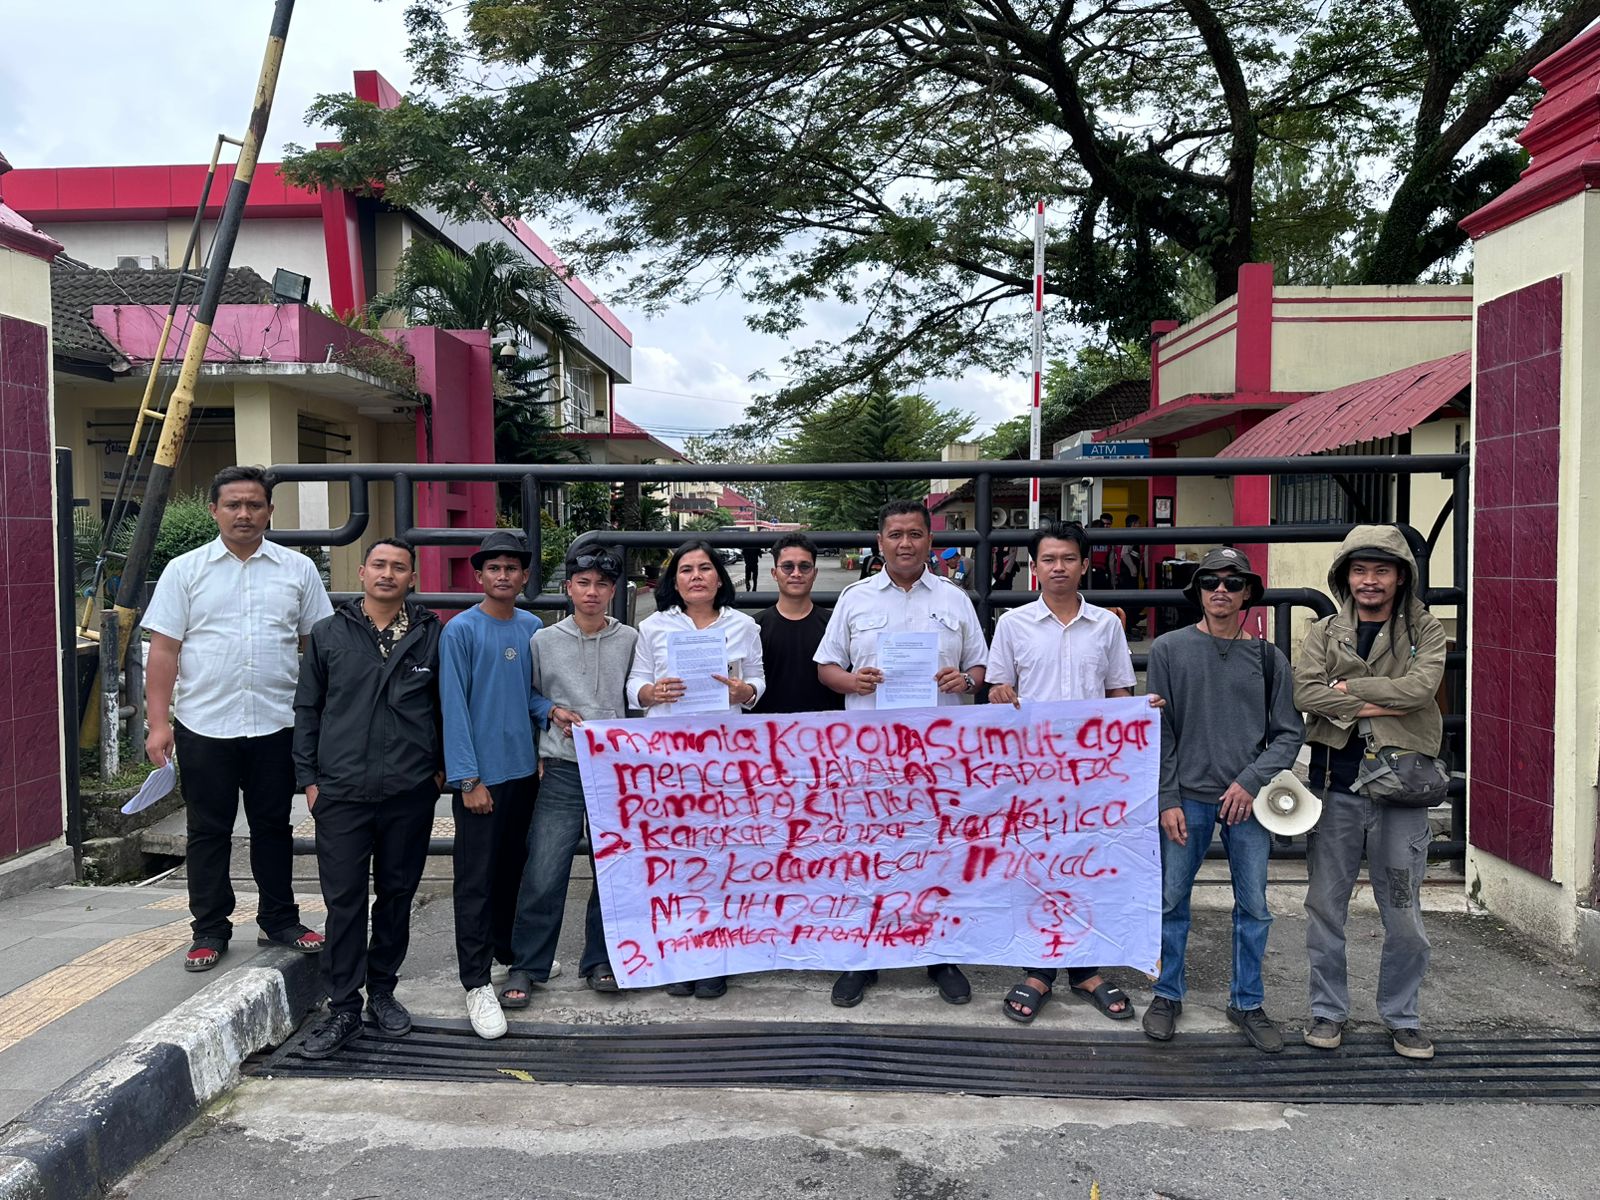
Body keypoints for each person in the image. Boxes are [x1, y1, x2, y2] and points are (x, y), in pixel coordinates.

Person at [143, 465, 332, 973]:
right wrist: (158, 723)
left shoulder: (298, 570)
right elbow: (164, 650)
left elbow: (318, 648)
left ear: (270, 511)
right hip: (205, 723)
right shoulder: (185, 570)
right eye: (233, 505)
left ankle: (280, 919)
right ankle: (209, 928)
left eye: (254, 505)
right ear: (214, 510)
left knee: (273, 826)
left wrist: (321, 722)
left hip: (277, 722)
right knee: (208, 830)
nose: (243, 514)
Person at [815, 499, 988, 1008]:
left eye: (915, 534)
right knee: (867, 856)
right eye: (895, 534)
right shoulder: (855, 599)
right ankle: (863, 959)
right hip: (870, 758)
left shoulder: (956, 599)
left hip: (939, 758)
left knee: (938, 854)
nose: (905, 543)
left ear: (930, 541)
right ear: (880, 542)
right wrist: (852, 681)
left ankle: (940, 956)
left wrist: (965, 681)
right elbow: (827, 667)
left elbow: (981, 668)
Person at [988, 521, 1161, 1025]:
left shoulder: (1106, 626)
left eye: (1068, 558)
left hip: (1092, 773)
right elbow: (997, 689)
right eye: (1048, 559)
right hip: (1032, 771)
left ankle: (1086, 969)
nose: (1058, 567)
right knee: (1036, 866)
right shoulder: (1012, 624)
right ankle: (1039, 968)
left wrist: (1137, 717)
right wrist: (999, 693)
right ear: (1034, 567)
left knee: (1090, 864)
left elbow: (1119, 694)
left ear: (1084, 564)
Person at [1142, 546, 1304, 1053]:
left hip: (1247, 802)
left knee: (1254, 906)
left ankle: (1248, 1001)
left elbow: (1288, 733)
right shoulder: (1168, 650)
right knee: (1171, 901)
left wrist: (1251, 781)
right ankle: (1167, 993)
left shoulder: (1269, 658)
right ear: (1197, 590)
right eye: (1211, 581)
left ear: (1248, 593)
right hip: (1186, 797)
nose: (1221, 590)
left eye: (1233, 583)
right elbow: (1160, 730)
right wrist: (1167, 797)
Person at [1294, 526, 1447, 1061]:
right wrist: (1386, 703)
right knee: (1324, 908)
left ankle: (1403, 1018)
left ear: (1401, 576)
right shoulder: (1324, 631)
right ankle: (1327, 1011)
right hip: (1334, 789)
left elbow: (1420, 689)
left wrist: (1345, 691)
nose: (1370, 581)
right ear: (1345, 576)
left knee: (1402, 911)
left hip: (1400, 793)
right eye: (1359, 570)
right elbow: (1304, 690)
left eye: (1382, 570)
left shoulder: (1425, 630)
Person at [293, 538, 442, 1058]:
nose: (387, 574)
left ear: (411, 578)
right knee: (345, 901)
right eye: (379, 564)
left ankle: (382, 991)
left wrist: (438, 772)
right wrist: (310, 780)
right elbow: (308, 708)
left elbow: (445, 707)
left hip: (409, 791)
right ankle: (343, 1007)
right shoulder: (329, 633)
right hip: (342, 792)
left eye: (399, 567)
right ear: (361, 572)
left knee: (397, 895)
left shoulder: (431, 635)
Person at [629, 539, 767, 999]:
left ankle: (715, 956)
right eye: (686, 569)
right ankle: (677, 953)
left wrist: (745, 692)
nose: (696, 577)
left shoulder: (743, 626)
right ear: (675, 580)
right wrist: (650, 694)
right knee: (674, 859)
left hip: (724, 757)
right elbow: (635, 683)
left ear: (719, 578)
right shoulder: (653, 626)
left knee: (721, 858)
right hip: (668, 760)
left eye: (705, 568)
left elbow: (758, 680)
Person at [507, 545, 639, 1001]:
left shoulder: (630, 639)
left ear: (614, 591)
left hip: (615, 770)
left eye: (602, 584)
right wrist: (551, 711)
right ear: (568, 588)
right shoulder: (543, 640)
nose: (592, 592)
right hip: (563, 766)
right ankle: (528, 964)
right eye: (583, 583)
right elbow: (527, 694)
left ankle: (602, 959)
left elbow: (638, 697)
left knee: (612, 869)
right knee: (544, 869)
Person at [440, 530, 553, 1040]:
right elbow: (454, 707)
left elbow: (529, 695)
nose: (503, 575)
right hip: (480, 779)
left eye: (512, 568)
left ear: (525, 576)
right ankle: (476, 981)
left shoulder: (532, 627)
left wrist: (551, 714)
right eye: (494, 568)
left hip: (524, 773)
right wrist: (468, 779)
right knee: (476, 881)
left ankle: (509, 954)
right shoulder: (460, 631)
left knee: (513, 872)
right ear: (479, 575)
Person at [753, 532, 843, 716]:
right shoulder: (753, 627)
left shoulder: (835, 625)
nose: (796, 573)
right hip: (768, 729)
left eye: (804, 566)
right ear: (774, 573)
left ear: (815, 573)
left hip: (827, 728)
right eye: (787, 567)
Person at [1119, 514, 1146, 636]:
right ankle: (1128, 627)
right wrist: (1133, 569)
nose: (1140, 525)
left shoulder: (1129, 535)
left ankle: (1131, 624)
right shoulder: (1130, 535)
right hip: (1128, 575)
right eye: (1138, 523)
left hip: (1129, 574)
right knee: (1129, 600)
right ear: (1133, 524)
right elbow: (1124, 553)